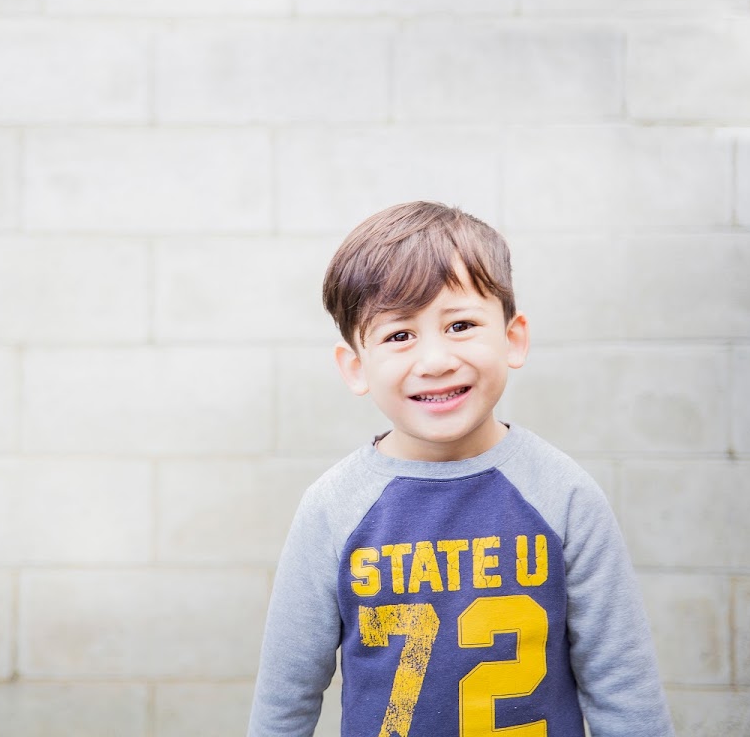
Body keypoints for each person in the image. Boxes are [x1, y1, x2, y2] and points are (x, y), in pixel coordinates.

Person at [248, 201, 673, 736]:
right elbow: (284, 701)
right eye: (399, 335)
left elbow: (624, 690)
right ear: (356, 367)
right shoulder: (333, 509)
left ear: (513, 339)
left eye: (461, 325)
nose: (436, 361)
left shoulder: (563, 495)